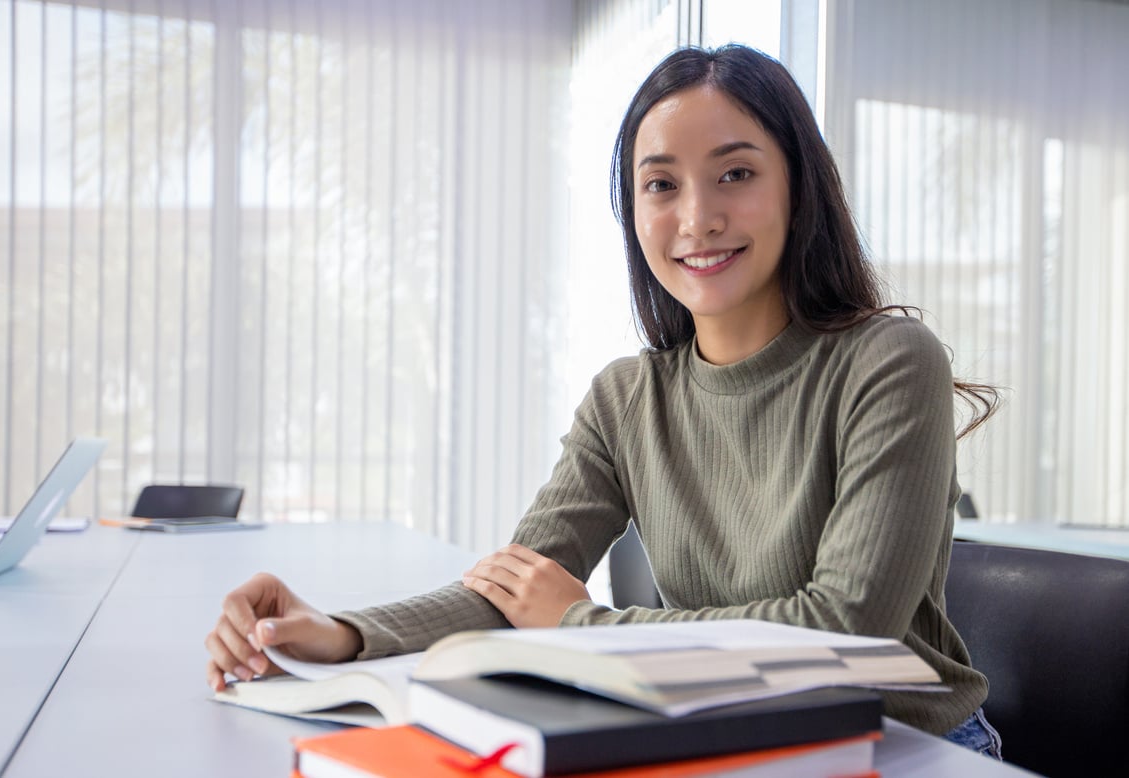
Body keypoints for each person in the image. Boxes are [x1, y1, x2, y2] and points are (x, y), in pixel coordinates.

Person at [205, 44, 1001, 758]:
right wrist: (340, 633)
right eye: (661, 184)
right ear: (633, 211)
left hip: (907, 748)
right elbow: (514, 589)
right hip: (735, 742)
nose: (697, 218)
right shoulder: (626, 397)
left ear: (799, 187)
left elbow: (843, 627)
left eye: (735, 173)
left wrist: (582, 628)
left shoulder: (889, 362)